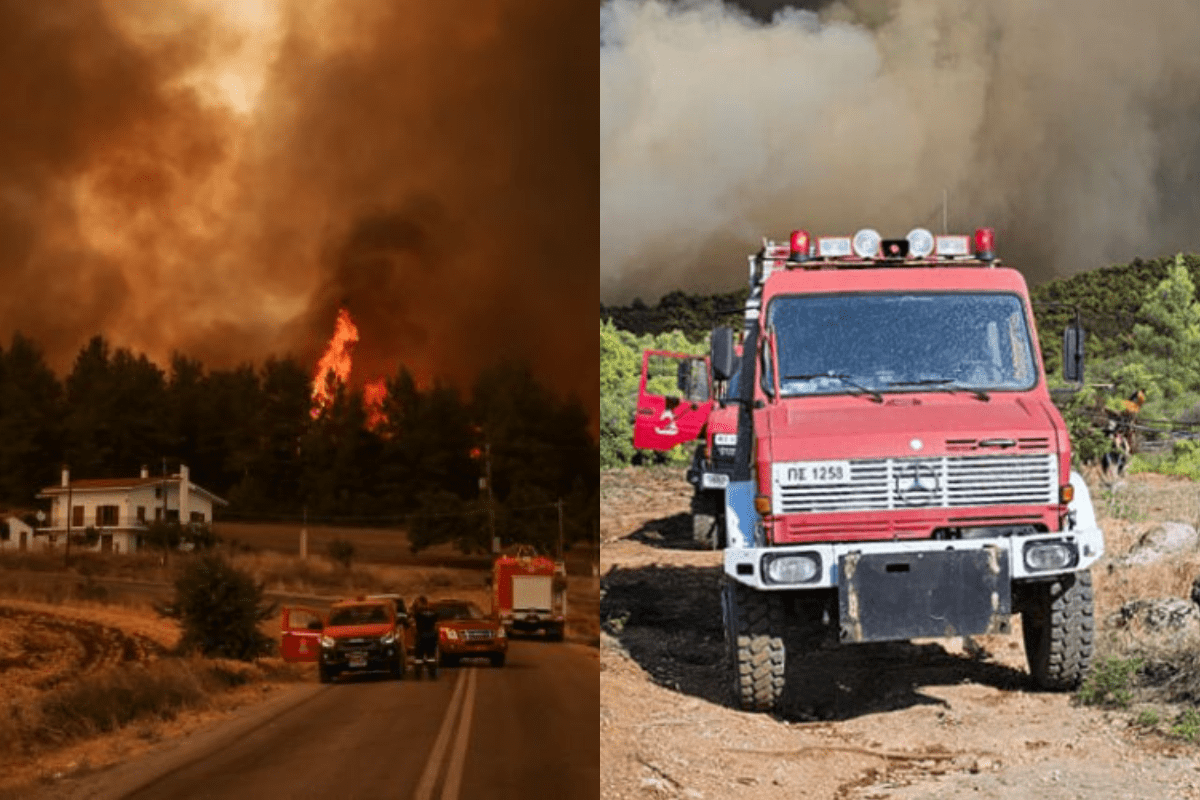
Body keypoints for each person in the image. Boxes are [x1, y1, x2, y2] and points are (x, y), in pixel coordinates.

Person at [411, 595, 440, 679]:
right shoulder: (434, 612)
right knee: (431, 656)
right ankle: (432, 674)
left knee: (418, 658)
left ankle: (417, 675)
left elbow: (412, 620)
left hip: (421, 636)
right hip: (431, 636)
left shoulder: (417, 613)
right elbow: (436, 623)